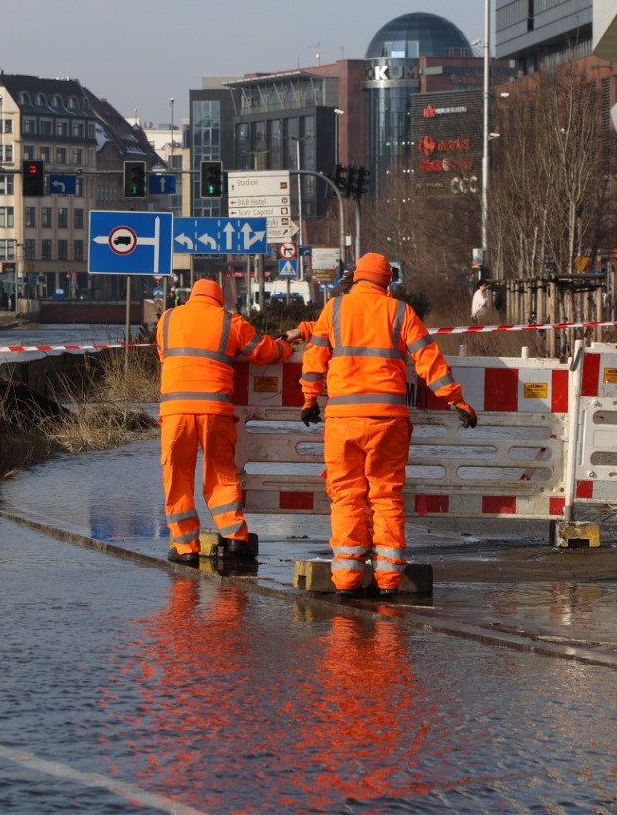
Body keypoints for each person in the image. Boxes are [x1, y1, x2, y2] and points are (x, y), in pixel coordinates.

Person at [298, 253, 479, 598]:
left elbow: (314, 358)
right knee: (385, 496)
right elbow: (429, 361)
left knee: (347, 496)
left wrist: (309, 400)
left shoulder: (334, 309)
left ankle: (348, 579)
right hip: (388, 421)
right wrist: (456, 400)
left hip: (343, 421)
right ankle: (387, 580)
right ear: (386, 281)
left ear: (356, 278)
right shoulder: (400, 312)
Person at [156, 278, 293, 565]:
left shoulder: (168, 319)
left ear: (192, 297)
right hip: (215, 410)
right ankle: (235, 539)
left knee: (177, 475)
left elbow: (164, 355)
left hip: (176, 411)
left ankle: (185, 548)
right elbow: (265, 352)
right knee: (220, 473)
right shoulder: (230, 321)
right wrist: (286, 347)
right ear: (219, 300)